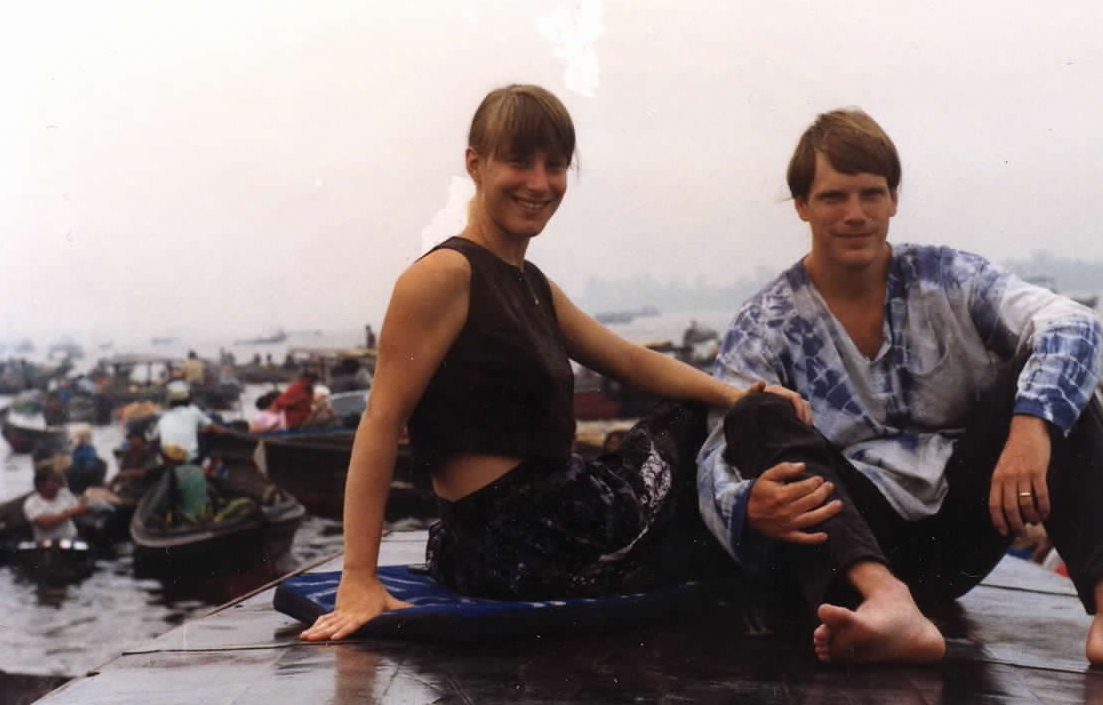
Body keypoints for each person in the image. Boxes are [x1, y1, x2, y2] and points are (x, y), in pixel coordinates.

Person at [695, 108, 1103, 687]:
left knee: (1054, 374)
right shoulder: (767, 320)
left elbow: (1075, 324)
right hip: (845, 553)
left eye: (870, 193)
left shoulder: (947, 278)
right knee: (755, 410)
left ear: (894, 198)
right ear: (803, 206)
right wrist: (747, 506)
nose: (855, 214)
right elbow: (714, 456)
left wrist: (1031, 426)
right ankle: (889, 602)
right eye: (833, 197)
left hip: (956, 535)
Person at [299, 84, 807, 642]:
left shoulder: (529, 282)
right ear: (475, 164)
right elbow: (380, 419)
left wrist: (739, 396)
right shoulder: (444, 275)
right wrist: (358, 578)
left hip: (527, 529)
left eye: (555, 166)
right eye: (519, 162)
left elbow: (625, 358)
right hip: (525, 539)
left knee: (715, 412)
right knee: (698, 435)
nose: (539, 183)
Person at [153, 380, 222, 463]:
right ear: (188, 396)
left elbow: (152, 437)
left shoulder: (161, 415)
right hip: (191, 457)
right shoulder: (194, 410)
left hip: (166, 459)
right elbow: (217, 429)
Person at [24, 465, 89, 541]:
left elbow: (81, 508)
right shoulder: (31, 503)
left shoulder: (64, 492)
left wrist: (84, 504)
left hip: (72, 538)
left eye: (57, 480)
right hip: (48, 543)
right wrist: (70, 512)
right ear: (41, 485)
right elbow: (45, 524)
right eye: (54, 481)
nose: (58, 484)